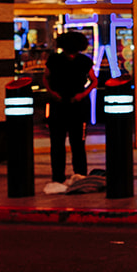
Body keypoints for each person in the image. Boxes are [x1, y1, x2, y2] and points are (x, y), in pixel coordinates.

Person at [44, 29, 95, 193]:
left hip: (59, 104)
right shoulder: (84, 61)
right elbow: (94, 80)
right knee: (78, 143)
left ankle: (58, 176)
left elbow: (46, 77)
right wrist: (82, 94)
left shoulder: (54, 60)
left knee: (57, 143)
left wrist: (52, 93)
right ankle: (80, 174)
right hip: (77, 105)